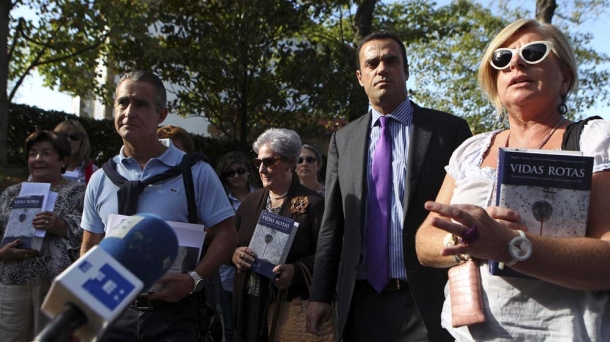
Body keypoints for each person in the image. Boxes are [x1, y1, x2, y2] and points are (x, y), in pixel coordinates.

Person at [415, 19, 610, 341]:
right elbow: (424, 243)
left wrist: (507, 245)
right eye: (502, 59)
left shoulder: (594, 140)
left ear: (565, 77)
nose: (516, 63)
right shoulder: (472, 149)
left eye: (533, 53)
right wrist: (469, 241)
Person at [306, 32, 472, 342]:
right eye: (372, 63)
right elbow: (332, 225)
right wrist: (320, 295)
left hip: (428, 299)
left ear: (406, 70)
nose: (381, 68)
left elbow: (466, 213)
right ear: (360, 76)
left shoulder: (449, 131)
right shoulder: (344, 140)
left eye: (391, 60)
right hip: (361, 302)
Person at [80, 71, 237, 341]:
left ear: (161, 114)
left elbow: (227, 234)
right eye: (123, 102)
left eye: (141, 104)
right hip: (113, 316)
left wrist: (194, 280)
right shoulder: (100, 179)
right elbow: (90, 247)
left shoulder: (194, 171)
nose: (129, 112)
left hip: (175, 316)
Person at [231, 128, 324, 342]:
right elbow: (228, 242)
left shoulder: (314, 204)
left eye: (269, 162)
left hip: (287, 309)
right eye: (258, 163)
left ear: (290, 163)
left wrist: (297, 270)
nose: (262, 169)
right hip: (247, 308)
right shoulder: (250, 202)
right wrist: (234, 254)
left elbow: (328, 255)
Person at [0, 130, 86, 341]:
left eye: (46, 153)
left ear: (63, 160)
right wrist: (2, 253)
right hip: (13, 284)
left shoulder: (79, 192)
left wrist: (61, 226)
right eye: (33, 153)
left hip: (56, 286)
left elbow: (91, 236)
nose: (38, 159)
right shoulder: (11, 194)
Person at [215, 151, 257, 342]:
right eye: (230, 173)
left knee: (256, 326)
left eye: (240, 170)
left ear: (248, 171)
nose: (236, 176)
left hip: (258, 273)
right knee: (231, 328)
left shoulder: (263, 195)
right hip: (228, 275)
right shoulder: (219, 202)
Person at [53, 120, 98, 184]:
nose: (68, 140)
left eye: (74, 137)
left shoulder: (94, 172)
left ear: (82, 142)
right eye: (63, 136)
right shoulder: (45, 167)